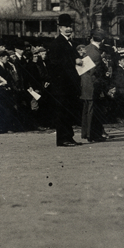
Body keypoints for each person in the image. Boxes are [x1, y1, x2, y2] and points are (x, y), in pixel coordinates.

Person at [45, 13, 82, 147]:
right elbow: (55, 63)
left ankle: (68, 136)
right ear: (60, 28)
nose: (68, 29)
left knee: (68, 111)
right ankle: (62, 139)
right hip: (61, 85)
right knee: (62, 112)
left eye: (69, 26)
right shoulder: (57, 43)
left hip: (69, 84)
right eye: (65, 26)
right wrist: (74, 60)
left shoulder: (69, 43)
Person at [80, 29, 108, 143]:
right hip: (93, 84)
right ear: (102, 40)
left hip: (85, 84)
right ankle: (93, 134)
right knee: (93, 111)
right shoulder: (96, 53)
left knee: (87, 110)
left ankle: (86, 133)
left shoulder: (86, 48)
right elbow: (94, 72)